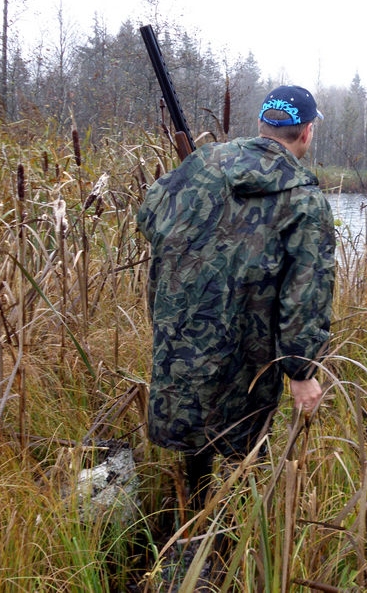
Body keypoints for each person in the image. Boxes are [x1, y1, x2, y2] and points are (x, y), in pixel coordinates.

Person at [136, 85, 336, 513]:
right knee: (244, 449)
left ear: (263, 125)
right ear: (307, 133)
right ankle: (233, 546)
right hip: (248, 353)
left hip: (183, 336)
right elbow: (306, 293)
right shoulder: (304, 199)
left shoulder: (202, 165)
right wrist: (301, 370)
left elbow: (150, 216)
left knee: (192, 436)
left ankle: (190, 531)